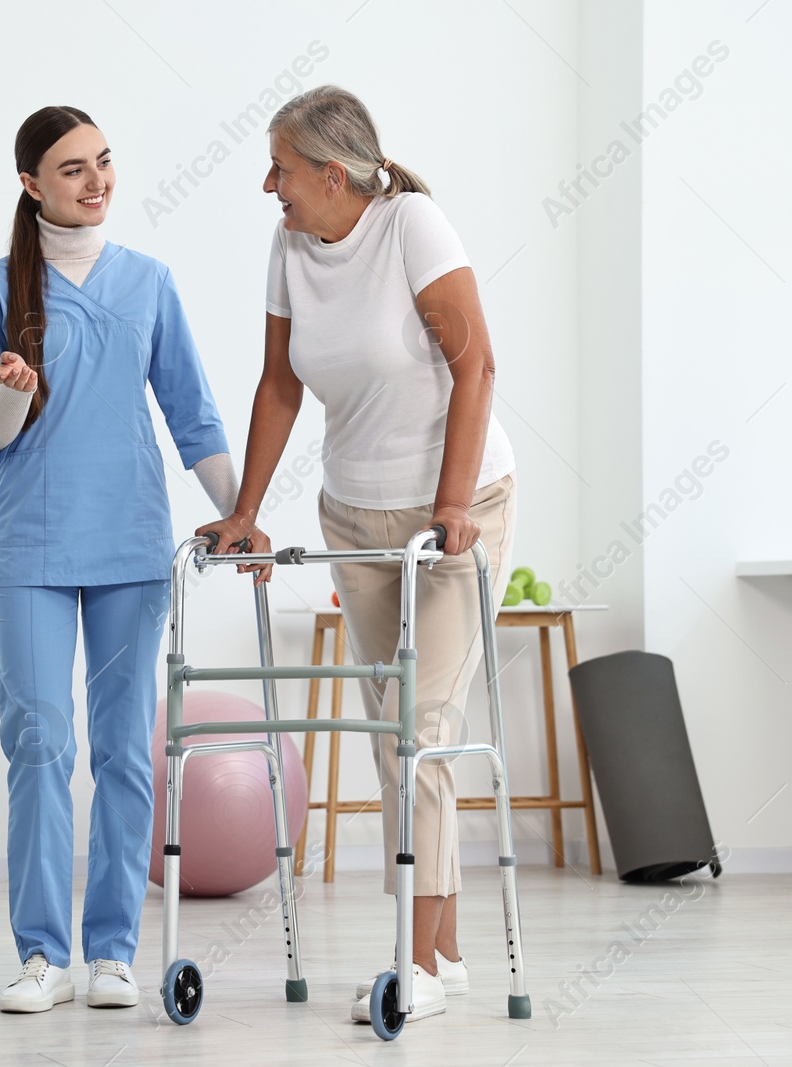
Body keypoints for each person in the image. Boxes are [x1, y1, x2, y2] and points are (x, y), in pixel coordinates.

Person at [197, 85, 516, 1025]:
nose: (270, 185)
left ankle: (410, 968)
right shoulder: (291, 244)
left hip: (456, 513)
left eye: (282, 170)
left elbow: (477, 365)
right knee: (396, 730)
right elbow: (279, 385)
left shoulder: (412, 224)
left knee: (417, 725)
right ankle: (446, 948)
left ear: (332, 175)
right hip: (357, 517)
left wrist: (454, 503)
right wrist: (246, 513)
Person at [0, 105, 238, 1014]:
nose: (96, 180)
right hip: (32, 548)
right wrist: (12, 395)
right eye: (72, 168)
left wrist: (239, 516)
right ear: (32, 184)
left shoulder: (149, 283)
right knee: (39, 743)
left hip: (128, 546)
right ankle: (45, 955)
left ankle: (113, 950)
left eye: (104, 162)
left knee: (123, 750)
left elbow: (192, 415)